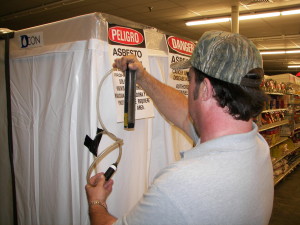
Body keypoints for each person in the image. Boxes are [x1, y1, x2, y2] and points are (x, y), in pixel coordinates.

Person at [85, 30, 274, 225]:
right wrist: (142, 77)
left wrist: (96, 202)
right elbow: (184, 114)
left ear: (205, 89)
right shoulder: (256, 146)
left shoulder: (180, 185)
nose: (188, 84)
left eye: (189, 78)